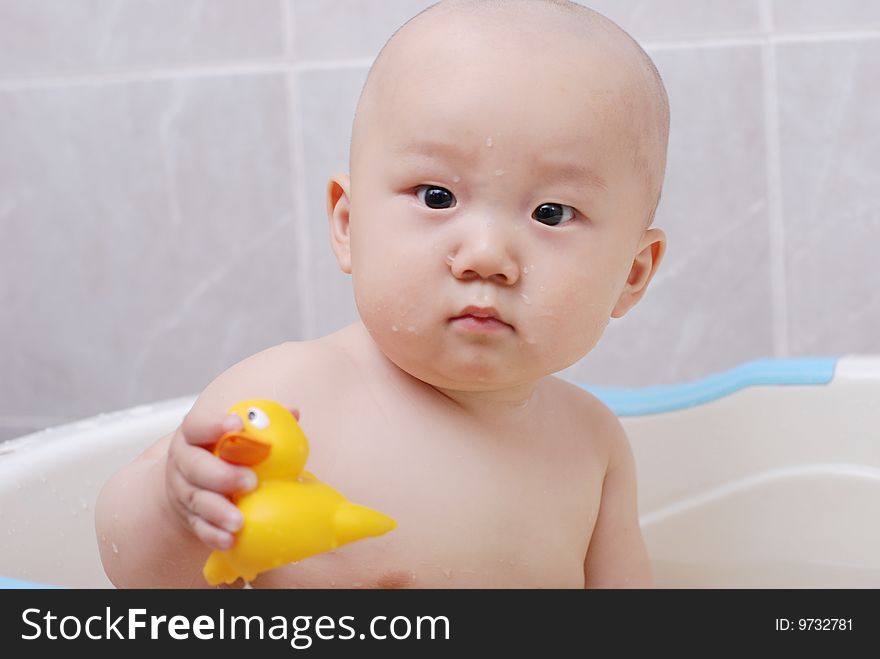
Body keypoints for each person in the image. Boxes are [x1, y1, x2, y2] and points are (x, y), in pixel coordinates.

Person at [96, 0, 669, 588]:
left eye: (552, 213)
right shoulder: (288, 397)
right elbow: (141, 583)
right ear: (348, 225)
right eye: (437, 196)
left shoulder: (593, 447)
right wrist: (174, 511)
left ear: (631, 274)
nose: (487, 257)